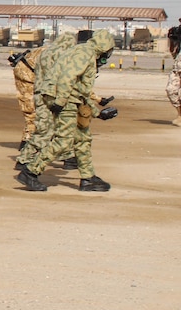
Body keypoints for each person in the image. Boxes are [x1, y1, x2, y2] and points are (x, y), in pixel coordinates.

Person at [16, 29, 118, 192]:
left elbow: (81, 91)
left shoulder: (85, 53)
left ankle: (88, 177)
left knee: (83, 138)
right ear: (104, 46)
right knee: (63, 141)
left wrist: (98, 113)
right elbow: (66, 78)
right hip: (64, 98)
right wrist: (61, 101)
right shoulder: (84, 54)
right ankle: (30, 171)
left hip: (69, 97)